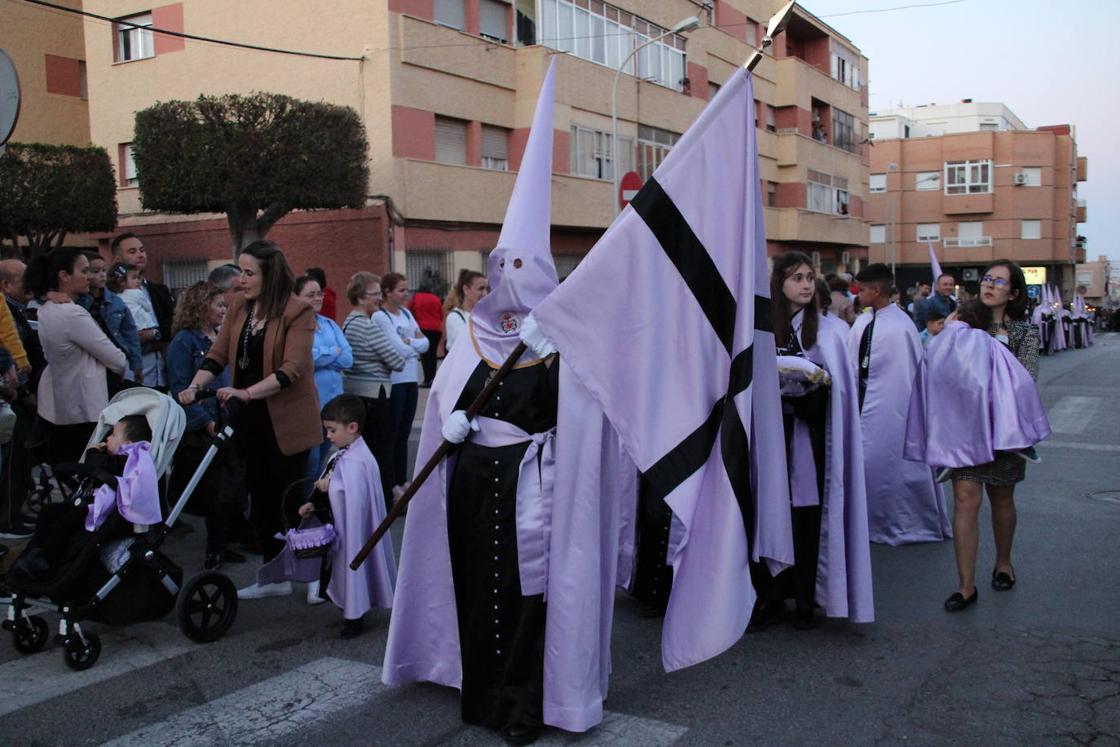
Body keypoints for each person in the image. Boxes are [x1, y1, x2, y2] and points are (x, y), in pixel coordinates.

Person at [384, 60, 635, 743]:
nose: (507, 280)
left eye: (521, 270)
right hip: (474, 482)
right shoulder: (468, 337)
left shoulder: (563, 342)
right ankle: (480, 690)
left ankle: (526, 701)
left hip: (537, 485)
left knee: (531, 595)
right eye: (500, 268)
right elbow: (446, 406)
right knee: (476, 584)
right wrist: (456, 423)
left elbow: (590, 416)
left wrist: (555, 346)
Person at [178, 240, 321, 600]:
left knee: (291, 499)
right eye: (240, 271)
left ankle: (316, 572)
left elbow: (293, 368)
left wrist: (247, 392)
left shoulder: (297, 311)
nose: (241, 280)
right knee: (260, 501)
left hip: (286, 419)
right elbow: (218, 353)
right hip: (250, 420)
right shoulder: (241, 307)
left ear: (269, 274)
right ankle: (275, 577)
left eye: (248, 272)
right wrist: (195, 386)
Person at [750, 253, 873, 630]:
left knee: (805, 517)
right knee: (767, 515)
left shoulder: (832, 332)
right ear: (779, 284)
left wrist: (809, 395)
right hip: (769, 441)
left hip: (808, 440)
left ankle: (806, 597)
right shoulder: (761, 329)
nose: (805, 285)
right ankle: (768, 594)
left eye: (809, 277)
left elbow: (843, 394)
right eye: (796, 278)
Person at [930, 262, 1040, 612]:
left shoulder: (1024, 332)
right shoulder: (960, 321)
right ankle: (965, 586)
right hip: (964, 430)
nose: (990, 285)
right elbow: (940, 368)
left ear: (1014, 293)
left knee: (1002, 499)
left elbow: (1027, 379)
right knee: (964, 499)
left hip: (1004, 433)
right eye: (987, 279)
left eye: (999, 281)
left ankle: (1003, 563)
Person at [847, 263, 951, 545]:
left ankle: (903, 519)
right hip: (862, 403)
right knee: (868, 463)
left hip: (895, 408)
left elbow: (907, 374)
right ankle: (866, 521)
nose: (858, 295)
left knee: (894, 463)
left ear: (876, 290)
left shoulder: (901, 326)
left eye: (862, 289)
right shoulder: (862, 321)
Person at [283, 394, 396, 638]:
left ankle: (354, 617)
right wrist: (313, 503)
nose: (328, 436)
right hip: (339, 525)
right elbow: (332, 483)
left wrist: (330, 485)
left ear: (352, 427)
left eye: (333, 430)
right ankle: (349, 607)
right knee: (339, 570)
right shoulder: (343, 454)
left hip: (353, 530)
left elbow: (354, 495)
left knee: (351, 567)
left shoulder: (359, 460)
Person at [12, 414, 158, 582]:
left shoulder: (132, 459)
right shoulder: (119, 457)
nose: (108, 438)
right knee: (49, 512)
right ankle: (35, 555)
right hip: (92, 504)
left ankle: (46, 562)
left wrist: (93, 452)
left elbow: (99, 466)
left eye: (113, 435)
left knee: (65, 523)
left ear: (127, 444)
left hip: (108, 513)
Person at [167, 281, 247, 571]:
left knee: (232, 486)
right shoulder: (184, 342)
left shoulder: (221, 337)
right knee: (215, 490)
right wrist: (206, 422)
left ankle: (228, 541)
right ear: (200, 306)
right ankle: (214, 549)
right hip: (205, 428)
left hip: (228, 419)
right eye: (219, 305)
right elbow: (180, 388)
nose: (224, 310)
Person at [27, 249, 128, 463]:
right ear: (64, 276)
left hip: (60, 405)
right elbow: (117, 359)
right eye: (84, 271)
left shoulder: (47, 309)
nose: (89, 276)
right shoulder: (71, 313)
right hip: (87, 407)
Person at [341, 272, 405, 506]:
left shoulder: (348, 321)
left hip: (356, 392)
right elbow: (397, 360)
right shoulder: (368, 326)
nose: (379, 298)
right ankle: (386, 500)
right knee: (382, 449)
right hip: (374, 394)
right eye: (374, 294)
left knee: (364, 448)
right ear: (359, 297)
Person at [374, 272, 428, 495]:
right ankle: (391, 484)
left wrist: (411, 343)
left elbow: (425, 344)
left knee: (404, 433)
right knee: (393, 433)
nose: (406, 294)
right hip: (394, 380)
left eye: (407, 290)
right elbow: (398, 348)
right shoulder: (381, 317)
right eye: (401, 290)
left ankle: (403, 479)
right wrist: (411, 345)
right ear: (387, 291)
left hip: (410, 379)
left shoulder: (406, 313)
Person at [296, 275, 353, 479]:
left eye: (319, 293)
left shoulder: (329, 324)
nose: (317, 298)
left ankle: (315, 503)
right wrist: (333, 351)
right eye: (310, 294)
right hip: (310, 405)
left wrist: (323, 353)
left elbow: (348, 358)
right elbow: (306, 359)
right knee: (309, 462)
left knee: (323, 459)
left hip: (333, 403)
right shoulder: (295, 327)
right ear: (296, 298)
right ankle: (303, 506)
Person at [111, 233, 174, 390]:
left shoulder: (160, 291)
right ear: (118, 259)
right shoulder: (110, 295)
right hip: (129, 376)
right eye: (132, 252)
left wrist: (155, 335)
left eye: (142, 250)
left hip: (162, 374)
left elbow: (173, 323)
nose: (140, 255)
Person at [79, 252, 143, 390]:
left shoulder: (115, 301)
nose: (102, 275)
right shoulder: (79, 300)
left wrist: (136, 364)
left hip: (115, 355)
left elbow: (130, 332)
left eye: (104, 270)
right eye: (95, 271)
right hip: (90, 358)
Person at [441, 270, 488, 355]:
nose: (485, 293)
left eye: (486, 289)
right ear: (466, 289)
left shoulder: (485, 316)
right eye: (480, 289)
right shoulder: (455, 317)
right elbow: (467, 344)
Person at [408, 281, 443, 386]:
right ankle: (433, 378)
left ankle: (427, 379)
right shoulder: (436, 298)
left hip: (423, 328)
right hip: (436, 329)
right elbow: (440, 313)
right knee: (433, 355)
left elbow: (409, 310)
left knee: (425, 356)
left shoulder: (416, 297)